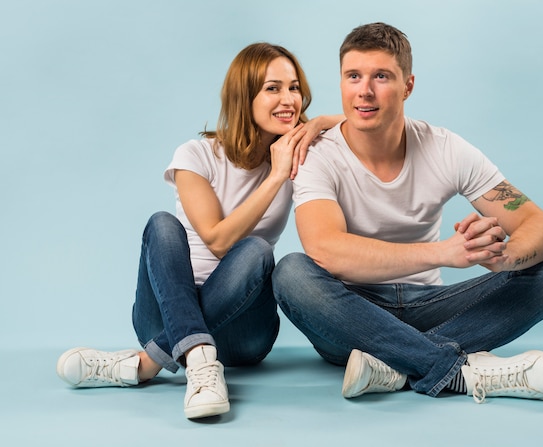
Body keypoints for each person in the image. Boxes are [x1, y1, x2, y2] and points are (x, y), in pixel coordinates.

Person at [272, 22, 543, 404]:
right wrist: (446, 253)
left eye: (381, 76)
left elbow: (542, 226)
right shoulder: (317, 155)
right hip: (352, 317)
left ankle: (394, 366)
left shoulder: (445, 148)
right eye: (353, 76)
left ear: (408, 86)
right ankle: (454, 369)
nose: (364, 91)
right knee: (291, 273)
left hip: (431, 308)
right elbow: (326, 250)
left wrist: (504, 258)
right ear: (341, 82)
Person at [56, 42, 342, 419]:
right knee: (162, 224)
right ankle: (201, 360)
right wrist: (275, 177)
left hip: (244, 334)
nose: (288, 99)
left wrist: (319, 122)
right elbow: (218, 239)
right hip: (164, 318)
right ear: (245, 96)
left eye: (294, 87)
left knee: (257, 250)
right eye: (273, 88)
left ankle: (146, 363)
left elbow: (366, 122)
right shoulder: (196, 156)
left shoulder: (301, 152)